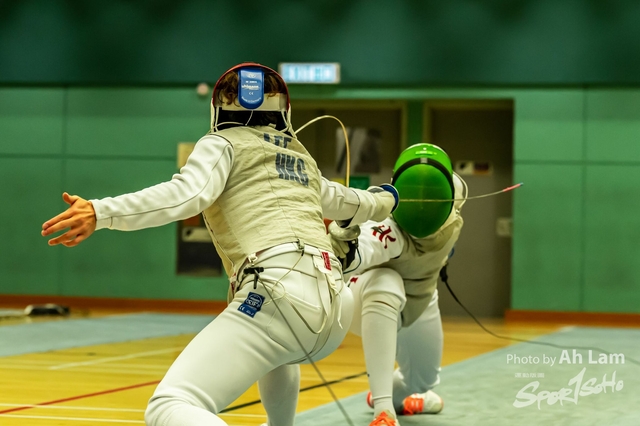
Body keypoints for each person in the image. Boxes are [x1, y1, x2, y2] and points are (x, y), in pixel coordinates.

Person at [41, 63, 398, 426]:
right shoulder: (300, 157)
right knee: (276, 353)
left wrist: (101, 211)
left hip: (280, 294)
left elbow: (186, 194)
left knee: (170, 404)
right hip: (336, 306)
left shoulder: (221, 143)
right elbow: (354, 202)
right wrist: (390, 197)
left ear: (220, 109)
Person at [330, 143, 466, 426]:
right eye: (414, 192)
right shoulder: (386, 231)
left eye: (431, 193)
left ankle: (398, 396)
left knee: (424, 380)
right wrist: (343, 242)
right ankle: (384, 411)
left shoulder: (456, 192)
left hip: (420, 296)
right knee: (386, 282)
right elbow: (357, 253)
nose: (422, 203)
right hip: (365, 296)